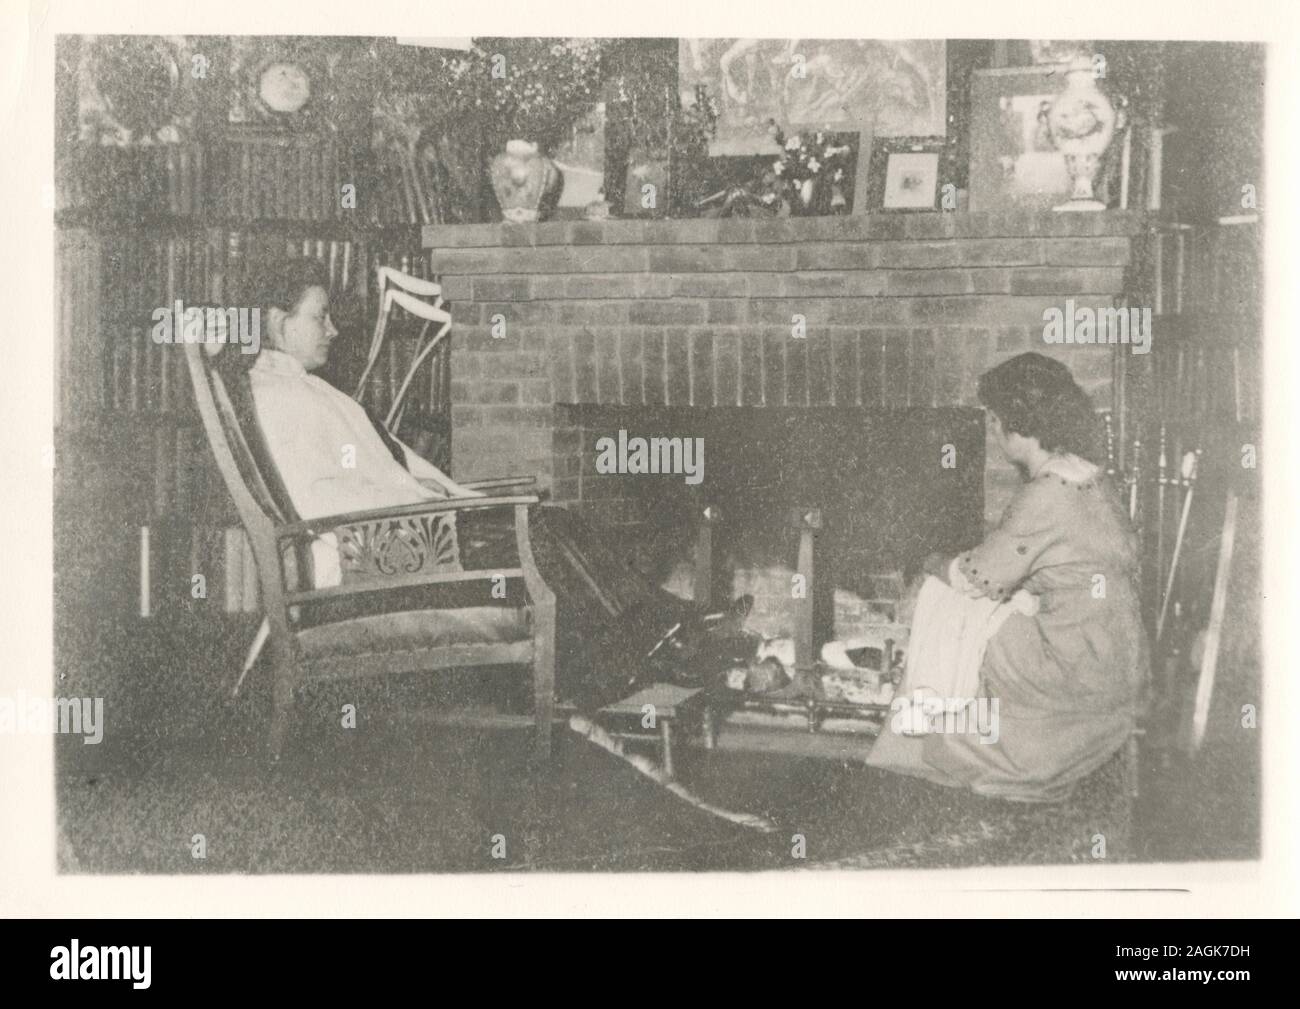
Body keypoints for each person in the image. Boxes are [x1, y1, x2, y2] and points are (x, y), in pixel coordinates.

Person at [244, 258, 698, 708]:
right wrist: (417, 499)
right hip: (375, 560)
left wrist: (426, 496)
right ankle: (651, 638)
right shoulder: (280, 399)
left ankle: (660, 628)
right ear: (276, 323)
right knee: (541, 536)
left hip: (400, 537)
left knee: (552, 524)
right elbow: (317, 502)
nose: (333, 329)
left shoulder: (299, 387)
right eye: (320, 316)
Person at [868, 352, 1149, 802]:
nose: (994, 432)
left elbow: (971, 577)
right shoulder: (1092, 477)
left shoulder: (1045, 494)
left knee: (949, 601)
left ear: (1017, 426)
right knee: (998, 605)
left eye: (995, 420)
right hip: (1120, 659)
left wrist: (929, 561)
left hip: (1074, 669)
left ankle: (927, 734)